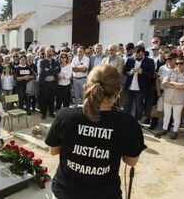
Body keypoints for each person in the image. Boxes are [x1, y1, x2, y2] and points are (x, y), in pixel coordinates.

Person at [45, 64, 146, 199]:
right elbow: (131, 161)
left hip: (65, 192)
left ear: (86, 88)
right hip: (106, 193)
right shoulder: (128, 123)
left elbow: (53, 151)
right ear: (119, 91)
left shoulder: (65, 115)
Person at [155, 56, 184, 139]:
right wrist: (178, 86)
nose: (178, 65)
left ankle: (175, 131)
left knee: (177, 116)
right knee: (167, 115)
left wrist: (171, 83)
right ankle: (164, 130)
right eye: (177, 63)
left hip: (179, 99)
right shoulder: (170, 72)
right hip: (168, 97)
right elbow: (164, 83)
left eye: (181, 63)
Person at [123, 46, 155, 121]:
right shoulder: (130, 60)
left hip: (140, 89)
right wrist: (130, 72)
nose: (137, 57)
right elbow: (124, 71)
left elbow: (151, 73)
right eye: (136, 55)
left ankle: (137, 122)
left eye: (140, 55)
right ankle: (126, 121)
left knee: (139, 106)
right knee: (127, 106)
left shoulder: (149, 61)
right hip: (129, 87)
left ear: (143, 53)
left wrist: (142, 72)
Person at [38, 47, 61, 119]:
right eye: (48, 51)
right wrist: (53, 70)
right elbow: (42, 72)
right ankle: (43, 113)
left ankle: (51, 113)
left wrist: (49, 70)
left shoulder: (55, 61)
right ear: (45, 52)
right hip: (44, 84)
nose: (49, 53)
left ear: (53, 52)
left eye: (51, 51)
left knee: (52, 99)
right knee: (44, 98)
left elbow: (59, 70)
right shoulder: (42, 61)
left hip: (53, 83)